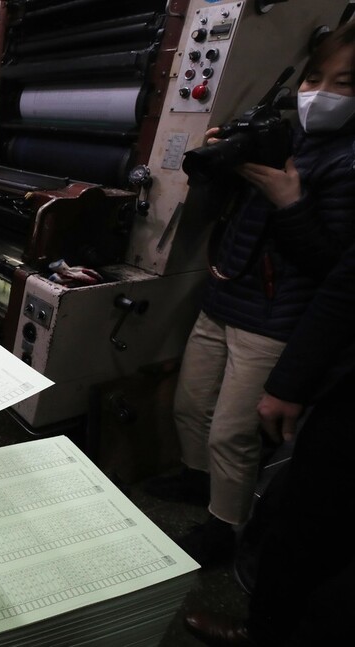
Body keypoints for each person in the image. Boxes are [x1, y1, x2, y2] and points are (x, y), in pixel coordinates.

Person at [146, 21, 355, 567]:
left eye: (344, 82)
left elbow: (336, 267)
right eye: (315, 76)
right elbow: (228, 212)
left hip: (274, 319)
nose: (320, 92)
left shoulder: (348, 163)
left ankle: (225, 529)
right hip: (226, 297)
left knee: (232, 434)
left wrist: (292, 203)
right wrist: (224, 159)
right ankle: (198, 485)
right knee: (191, 406)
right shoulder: (285, 137)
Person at [183, 239, 355, 646]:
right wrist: (292, 380)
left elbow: (331, 271)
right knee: (302, 516)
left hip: (275, 316)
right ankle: (264, 630)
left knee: (311, 523)